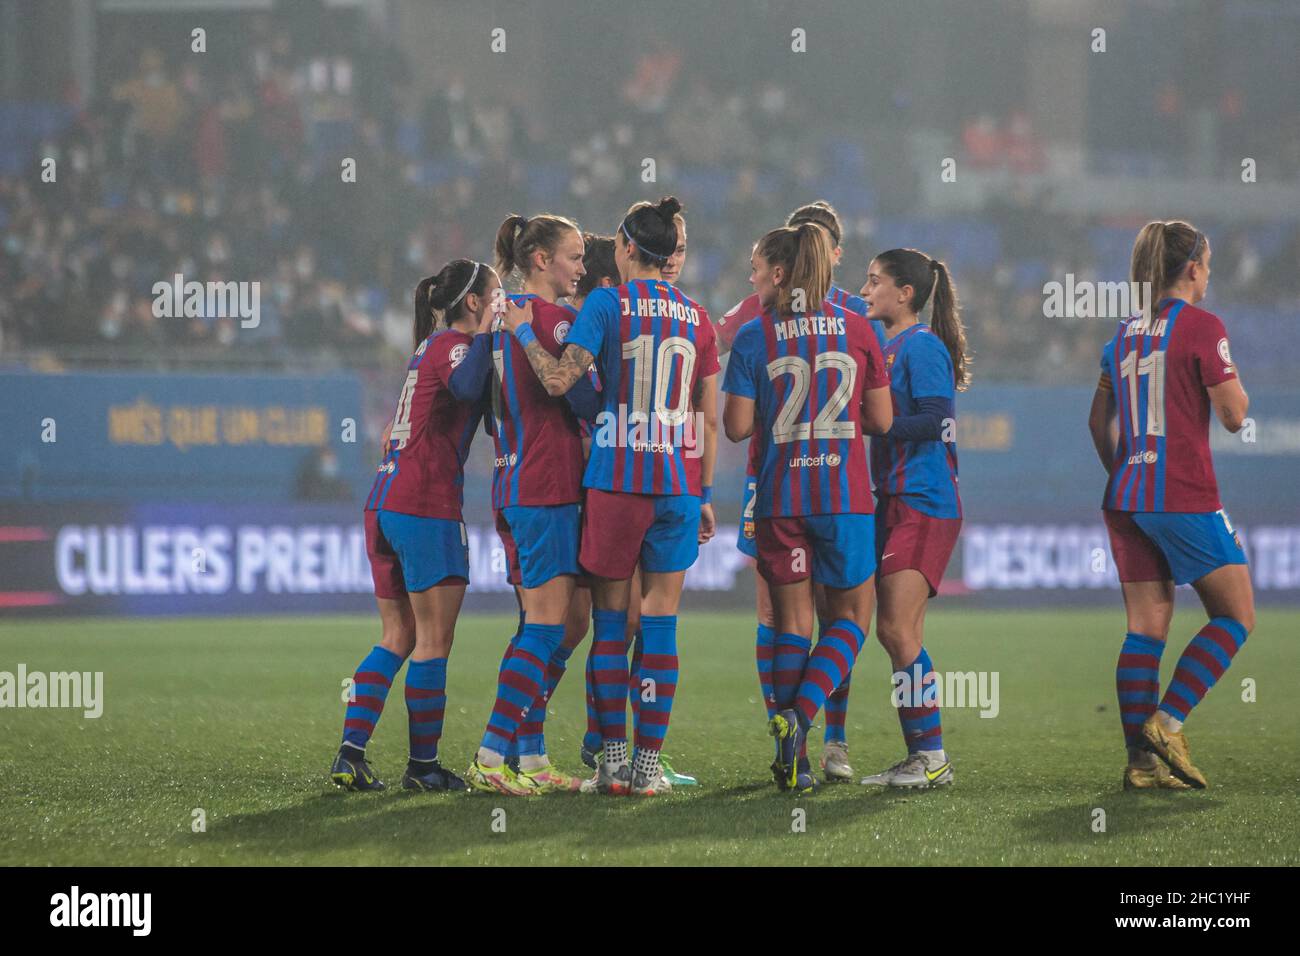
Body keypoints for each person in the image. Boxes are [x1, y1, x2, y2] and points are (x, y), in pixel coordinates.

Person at [499, 196, 719, 796]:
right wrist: (704, 489)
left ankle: (612, 765)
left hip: (617, 481)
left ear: (624, 248)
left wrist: (522, 331)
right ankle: (650, 769)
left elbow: (558, 380)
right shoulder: (698, 316)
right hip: (676, 482)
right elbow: (709, 419)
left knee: (610, 626)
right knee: (663, 625)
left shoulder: (605, 302)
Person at [721, 222, 893, 792]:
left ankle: (789, 756)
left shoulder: (753, 335)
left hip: (780, 497)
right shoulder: (859, 328)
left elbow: (738, 428)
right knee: (848, 622)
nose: (752, 279)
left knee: (790, 623)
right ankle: (801, 720)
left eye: (756, 268)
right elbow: (883, 420)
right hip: (844, 497)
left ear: (780, 272)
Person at [1087, 221, 1253, 790]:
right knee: (1235, 615)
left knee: (1145, 630)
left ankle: (1140, 766)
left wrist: (1127, 474)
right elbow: (1234, 416)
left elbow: (1096, 422)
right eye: (1206, 263)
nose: (1208, 274)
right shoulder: (1204, 327)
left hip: (1127, 496)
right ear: (1192, 268)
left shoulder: (1122, 334)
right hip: (1182, 490)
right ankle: (1168, 720)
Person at [330, 259, 497, 792]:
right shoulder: (454, 344)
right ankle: (423, 768)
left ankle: (350, 755)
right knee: (432, 641)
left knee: (397, 635)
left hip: (384, 501)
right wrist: (494, 334)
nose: (503, 301)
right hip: (424, 505)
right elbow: (470, 387)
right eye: (496, 295)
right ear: (474, 302)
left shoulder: (427, 348)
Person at [466, 214, 598, 795]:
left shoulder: (498, 320)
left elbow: (476, 394)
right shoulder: (557, 318)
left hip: (511, 481)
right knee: (549, 626)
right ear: (540, 259)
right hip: (548, 487)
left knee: (556, 623)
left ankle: (533, 756)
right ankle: (491, 756)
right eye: (572, 256)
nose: (581, 267)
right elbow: (586, 398)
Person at [855, 248, 970, 789]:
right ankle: (922, 757)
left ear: (905, 293)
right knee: (900, 633)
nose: (865, 288)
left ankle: (932, 755)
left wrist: (875, 423)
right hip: (895, 500)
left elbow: (936, 420)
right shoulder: (887, 345)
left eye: (875, 281)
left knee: (895, 628)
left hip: (924, 501)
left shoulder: (921, 347)